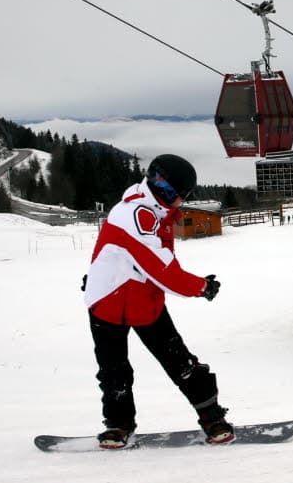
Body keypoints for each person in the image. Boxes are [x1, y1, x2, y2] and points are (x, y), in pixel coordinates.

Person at [82, 154, 232, 449]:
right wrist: (201, 287)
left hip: (144, 304)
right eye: (181, 195)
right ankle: (118, 426)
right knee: (114, 371)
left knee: (181, 363)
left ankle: (212, 418)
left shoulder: (156, 211)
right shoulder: (133, 215)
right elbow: (161, 269)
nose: (182, 202)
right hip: (106, 305)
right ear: (164, 188)